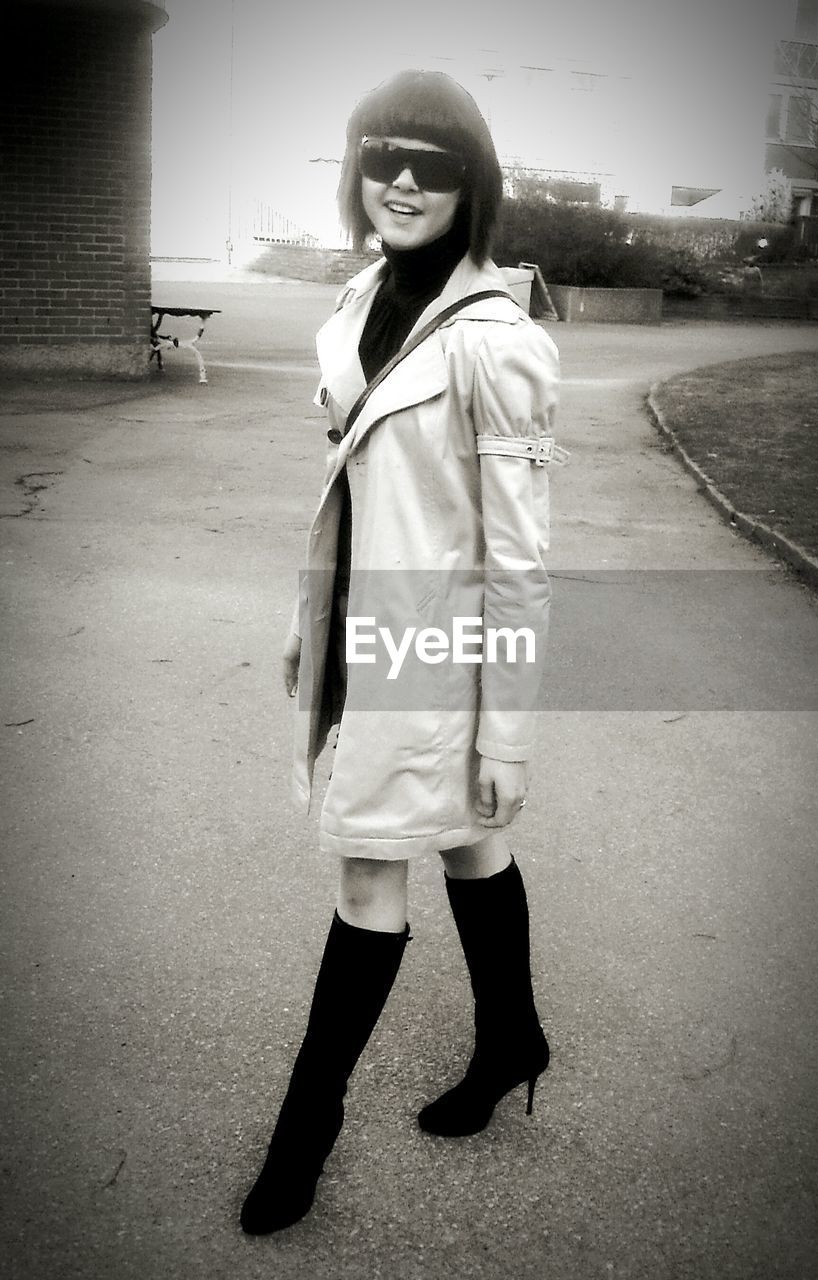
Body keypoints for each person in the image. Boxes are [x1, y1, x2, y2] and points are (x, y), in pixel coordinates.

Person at [240, 68, 560, 1236]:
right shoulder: (359, 295)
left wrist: (507, 730)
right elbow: (354, 483)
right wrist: (307, 618)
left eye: (434, 160)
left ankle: (302, 1132)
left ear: (472, 181)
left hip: (432, 636)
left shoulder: (499, 342)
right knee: (468, 838)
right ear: (355, 169)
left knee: (370, 867)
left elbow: (517, 558)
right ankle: (511, 1036)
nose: (405, 180)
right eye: (384, 154)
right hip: (364, 618)